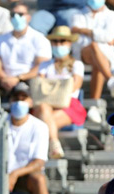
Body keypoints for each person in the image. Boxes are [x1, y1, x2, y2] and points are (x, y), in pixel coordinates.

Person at [32, 25, 86, 159]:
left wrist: (50, 88)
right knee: (44, 111)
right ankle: (54, 145)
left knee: (41, 125)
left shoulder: (77, 65)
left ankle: (39, 155)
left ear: (69, 43)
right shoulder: (45, 65)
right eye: (55, 42)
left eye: (62, 41)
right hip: (47, 105)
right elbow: (39, 86)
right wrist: (60, 87)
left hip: (69, 105)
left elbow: (74, 86)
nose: (58, 44)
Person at [0, 1, 52, 97]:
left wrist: (18, 78)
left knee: (22, 90)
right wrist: (4, 78)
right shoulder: (0, 39)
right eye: (13, 14)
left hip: (29, 81)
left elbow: (41, 66)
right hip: (4, 81)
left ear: (29, 17)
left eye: (20, 14)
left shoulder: (40, 39)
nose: (16, 17)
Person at [7, 83, 50, 194]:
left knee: (39, 180)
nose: (19, 102)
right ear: (10, 101)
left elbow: (39, 162)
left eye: (23, 98)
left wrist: (15, 174)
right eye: (16, 98)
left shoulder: (39, 126)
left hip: (27, 176)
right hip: (1, 174)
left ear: (30, 102)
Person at [70, 0, 114, 99]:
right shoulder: (77, 15)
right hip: (84, 54)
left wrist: (83, 31)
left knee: (98, 63)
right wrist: (101, 38)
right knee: (94, 47)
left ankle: (94, 105)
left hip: (105, 56)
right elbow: (78, 40)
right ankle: (110, 79)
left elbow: (108, 36)